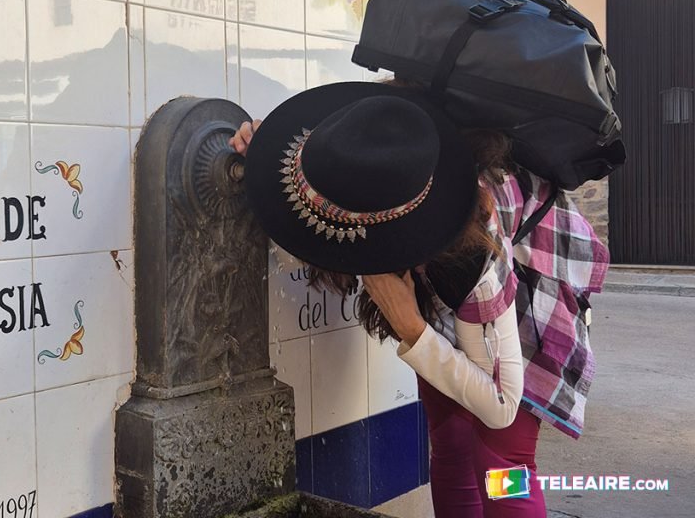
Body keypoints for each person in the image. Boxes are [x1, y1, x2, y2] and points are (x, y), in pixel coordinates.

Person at [230, 79, 552, 517]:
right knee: (451, 441)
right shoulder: (355, 154)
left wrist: (412, 328)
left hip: (527, 282)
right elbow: (297, 248)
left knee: (502, 463)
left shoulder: (470, 251)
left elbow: (501, 406)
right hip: (433, 282)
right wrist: (264, 157)